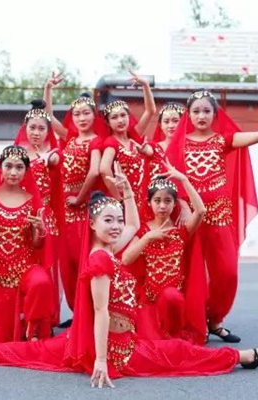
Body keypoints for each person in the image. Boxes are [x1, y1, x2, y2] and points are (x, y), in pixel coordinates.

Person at [0, 165, 258, 388]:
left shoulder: (111, 248)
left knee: (36, 351)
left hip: (119, 340)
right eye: (108, 220)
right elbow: (101, 312)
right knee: (178, 353)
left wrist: (128, 192)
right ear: (91, 224)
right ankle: (243, 357)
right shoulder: (101, 259)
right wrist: (102, 362)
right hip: (117, 352)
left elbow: (133, 226)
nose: (117, 226)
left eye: (117, 220)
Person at [166, 84, 258, 343]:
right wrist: (184, 205)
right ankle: (195, 324)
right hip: (191, 219)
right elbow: (170, 180)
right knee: (192, 275)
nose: (201, 116)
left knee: (227, 273)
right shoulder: (179, 144)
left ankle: (215, 319)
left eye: (206, 111)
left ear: (215, 114)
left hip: (220, 217)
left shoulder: (223, 140)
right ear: (188, 115)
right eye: (196, 111)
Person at [0, 145, 56, 342]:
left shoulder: (32, 200)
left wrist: (41, 230)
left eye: (19, 167)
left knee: (41, 282)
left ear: (26, 170)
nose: (14, 172)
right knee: (1, 338)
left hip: (25, 268)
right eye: (9, 166)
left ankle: (33, 327)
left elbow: (36, 244)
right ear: (0, 168)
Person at [121, 160, 208, 344]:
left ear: (175, 203)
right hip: (149, 303)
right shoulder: (143, 231)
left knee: (171, 297)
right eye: (157, 201)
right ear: (149, 203)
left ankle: (175, 331)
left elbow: (200, 211)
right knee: (151, 344)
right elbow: (126, 259)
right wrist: (147, 238)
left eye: (168, 201)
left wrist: (184, 180)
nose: (162, 206)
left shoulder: (181, 231)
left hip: (174, 303)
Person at [43, 74, 105, 318]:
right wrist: (48, 89)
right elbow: (49, 117)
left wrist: (79, 199)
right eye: (77, 114)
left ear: (94, 115)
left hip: (83, 207)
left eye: (86, 113)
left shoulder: (97, 141)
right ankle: (78, 314)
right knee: (67, 263)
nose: (81, 118)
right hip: (64, 208)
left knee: (82, 262)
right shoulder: (70, 137)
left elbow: (94, 171)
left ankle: (88, 314)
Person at [13, 99, 64, 326]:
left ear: (48, 131)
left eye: (41, 128)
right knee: (21, 266)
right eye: (32, 127)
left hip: (45, 218)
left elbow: (56, 160)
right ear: (25, 128)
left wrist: (50, 158)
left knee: (46, 268)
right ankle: (21, 314)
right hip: (21, 217)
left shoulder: (52, 153)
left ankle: (46, 318)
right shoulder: (17, 155)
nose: (36, 132)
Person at [99, 69, 156, 209]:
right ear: (107, 122)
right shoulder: (111, 143)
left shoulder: (134, 136)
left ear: (129, 117)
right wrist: (119, 199)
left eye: (123, 115)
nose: (120, 120)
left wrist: (145, 85)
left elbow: (150, 111)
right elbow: (104, 169)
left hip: (141, 197)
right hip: (125, 200)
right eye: (114, 117)